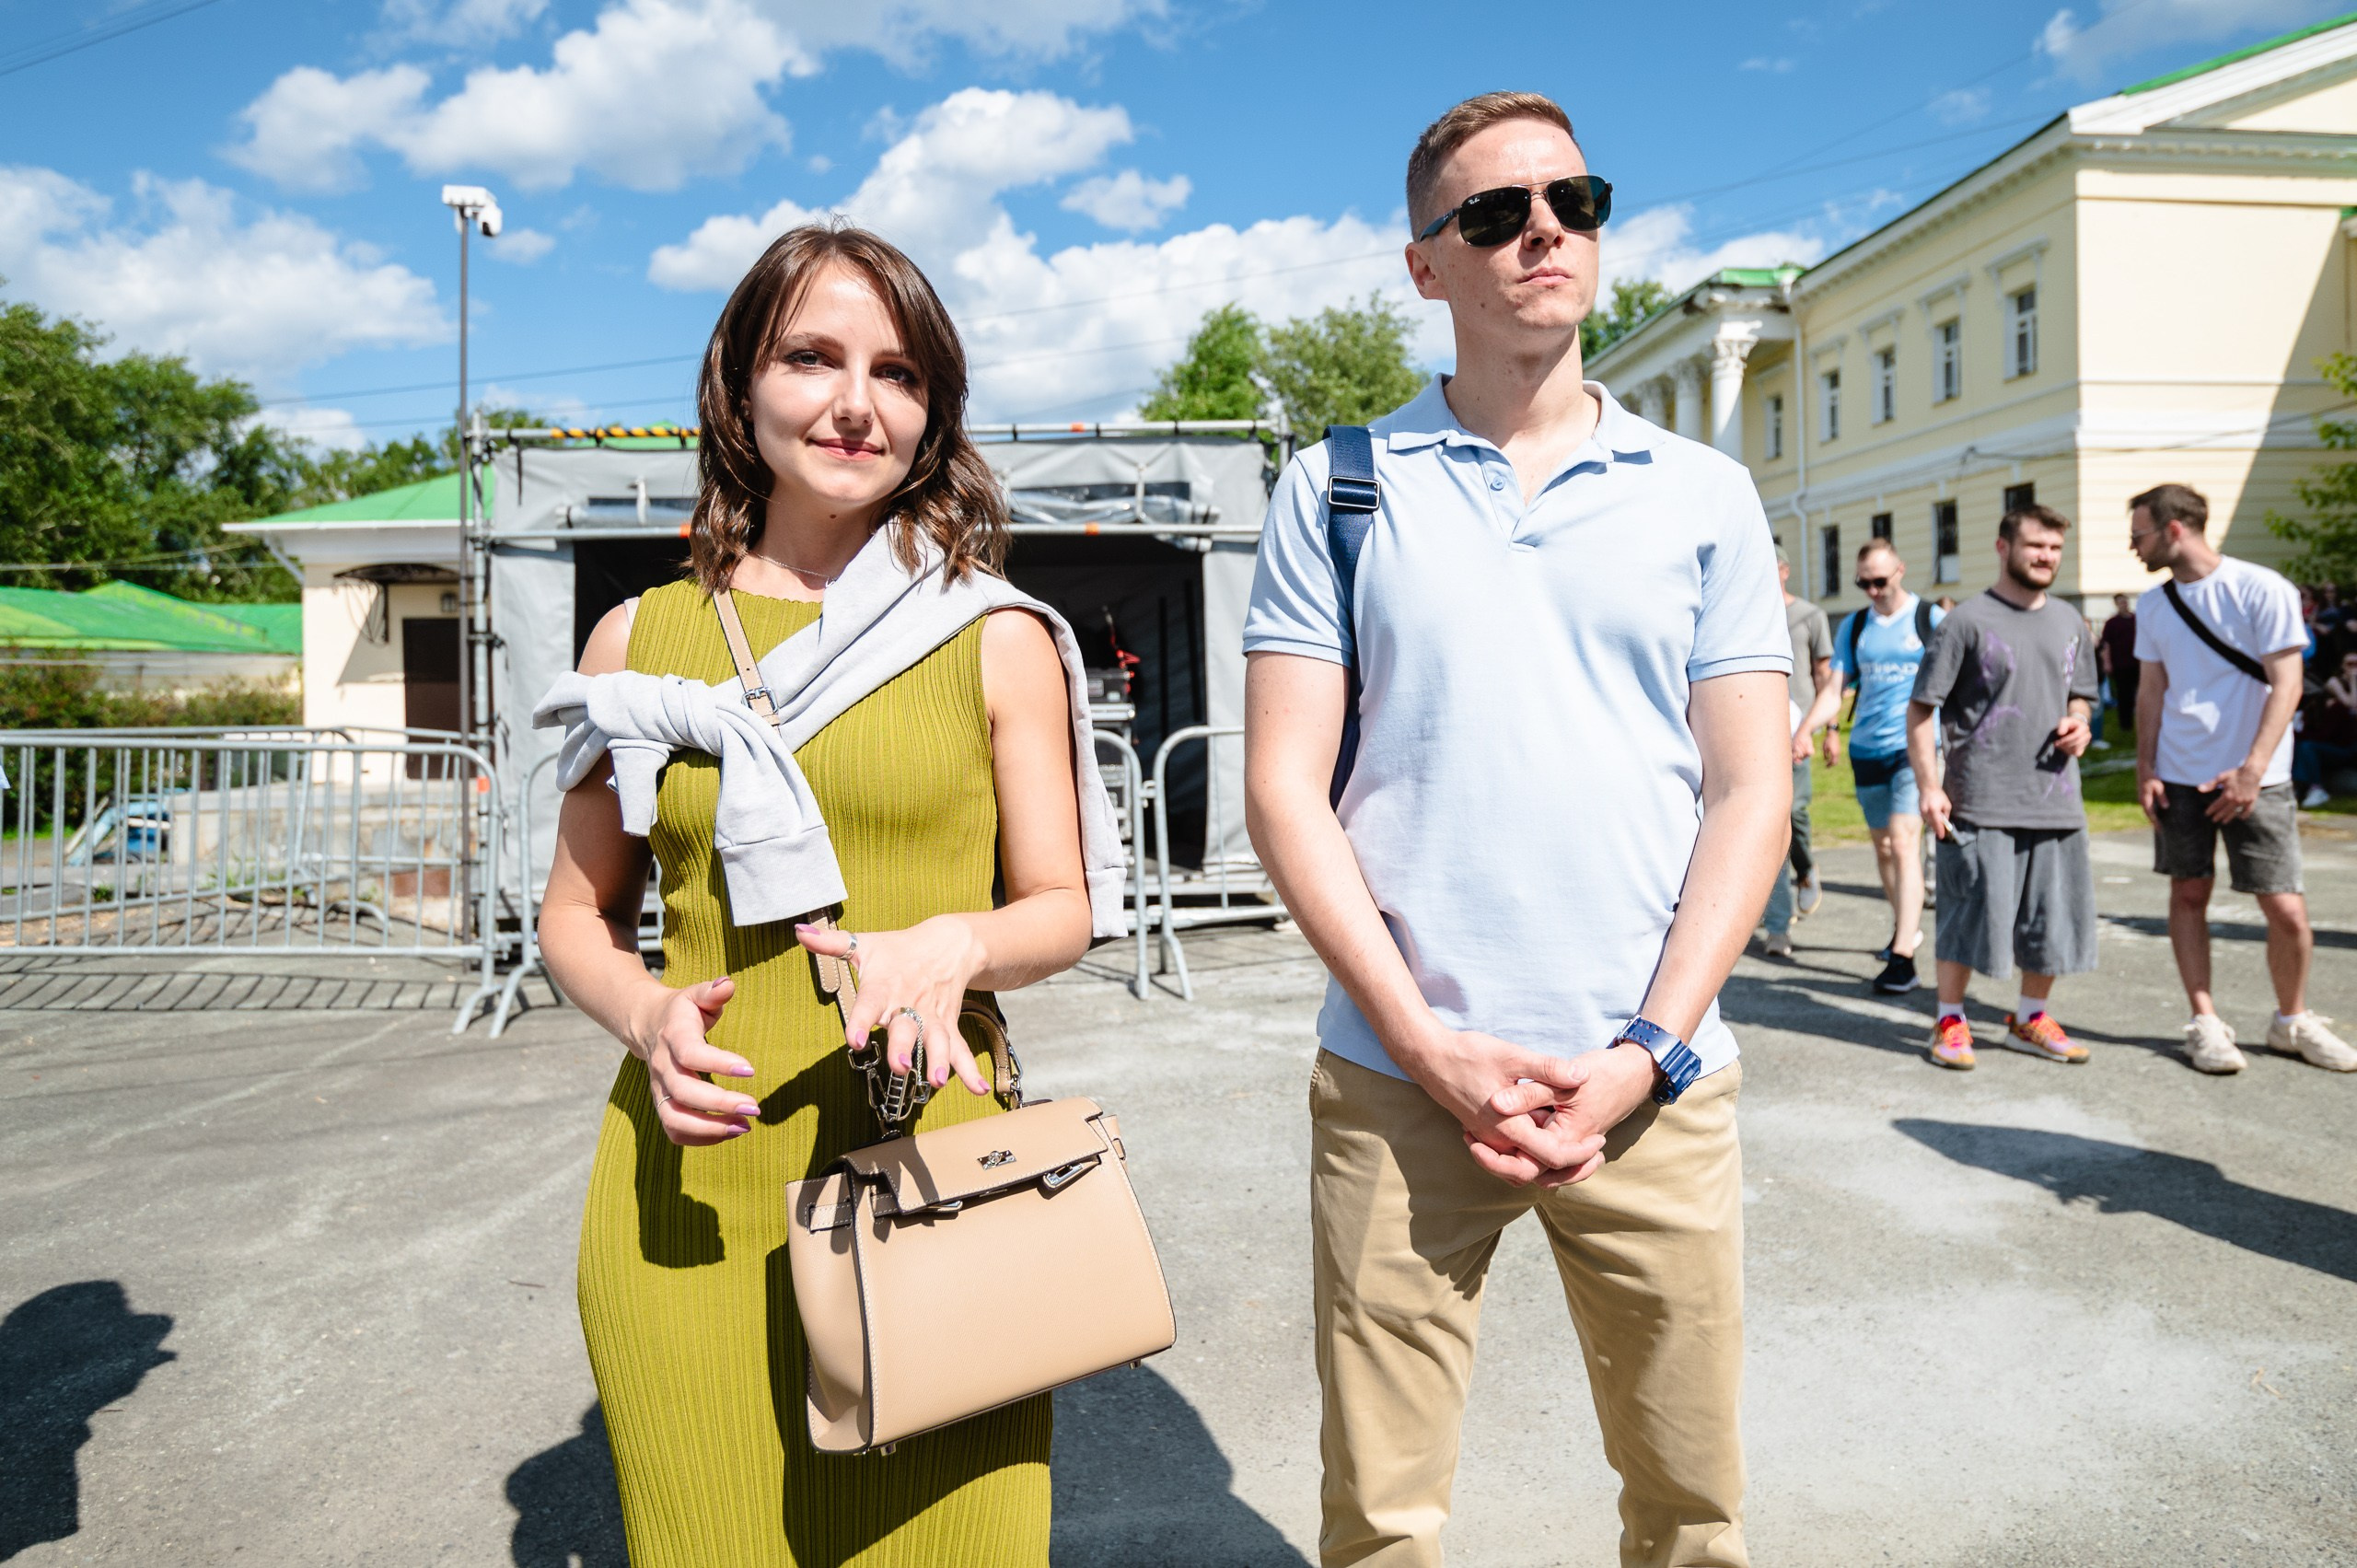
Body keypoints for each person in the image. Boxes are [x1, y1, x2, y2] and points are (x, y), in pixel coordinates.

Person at [1243, 91, 1790, 1568]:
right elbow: (1285, 788)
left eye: (1575, 199)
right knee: (1383, 1517)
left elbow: (1752, 787)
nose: (1545, 231)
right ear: (1428, 265)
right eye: (1494, 212)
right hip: (1400, 1084)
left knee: (1693, 1506)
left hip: (1655, 1086)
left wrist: (1647, 1052)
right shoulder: (1338, 487)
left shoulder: (1705, 494)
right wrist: (1427, 1043)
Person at [534, 225, 1125, 1565]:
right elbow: (575, 913)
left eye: (899, 372)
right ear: (741, 379)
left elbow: (1061, 905)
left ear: (933, 414)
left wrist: (955, 942)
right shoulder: (638, 642)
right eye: (812, 355)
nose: (857, 401)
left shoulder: (998, 632)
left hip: (930, 1168)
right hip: (689, 1182)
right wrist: (644, 1017)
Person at [2128, 482, 2356, 1074]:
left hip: (2261, 779)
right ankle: (2204, 1022)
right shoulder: (2153, 606)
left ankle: (2292, 1020)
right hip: (2179, 773)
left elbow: (2287, 685)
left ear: (2175, 528)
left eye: (2140, 533)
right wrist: (2145, 766)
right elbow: (2151, 692)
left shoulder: (2262, 589)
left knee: (2285, 908)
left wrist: (2253, 770)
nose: (2134, 546)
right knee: (2188, 892)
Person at [1907, 504, 2100, 1070]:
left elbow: (2080, 693)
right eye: (2036, 545)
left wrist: (2080, 722)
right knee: (1968, 915)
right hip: (1979, 797)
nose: (2046, 557)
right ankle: (1949, 1020)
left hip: (2056, 797)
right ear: (2003, 547)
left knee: (2053, 919)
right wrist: (1929, 785)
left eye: (2055, 549)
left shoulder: (2070, 620)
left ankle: (2029, 1018)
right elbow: (1922, 710)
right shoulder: (1965, 621)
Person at [1829, 539, 1945, 994]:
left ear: (1900, 570)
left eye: (1880, 580)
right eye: (1864, 583)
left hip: (1913, 748)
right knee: (1883, 849)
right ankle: (1905, 928)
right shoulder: (1856, 625)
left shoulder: (1930, 618)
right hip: (1867, 748)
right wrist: (1810, 729)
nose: (1873, 590)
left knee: (1903, 843)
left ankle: (1903, 957)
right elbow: (1834, 686)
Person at [1761, 543, 1839, 957]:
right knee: (1769, 823)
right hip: (1757, 735)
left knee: (1796, 814)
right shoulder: (1745, 610)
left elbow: (1825, 677)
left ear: (1784, 571)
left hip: (1798, 734)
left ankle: (1806, 868)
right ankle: (1777, 925)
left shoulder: (1810, 616)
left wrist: (1829, 729)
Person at [2293, 648, 2357, 807]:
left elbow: (2352, 705)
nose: (2354, 667)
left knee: (2306, 746)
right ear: (2342, 666)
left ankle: (2310, 788)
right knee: (2302, 746)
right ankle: (2301, 788)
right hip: (2335, 744)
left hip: (2348, 746)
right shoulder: (2334, 688)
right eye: (2350, 664)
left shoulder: (2337, 707)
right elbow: (2350, 705)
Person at [2098, 591, 2139, 737]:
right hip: (2121, 664)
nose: (2124, 604)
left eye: (2125, 601)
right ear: (2116, 604)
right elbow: (2106, 644)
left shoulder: (2136, 619)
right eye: (2121, 602)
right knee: (2124, 695)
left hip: (2138, 663)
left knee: (2139, 694)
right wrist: (2107, 662)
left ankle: (2140, 721)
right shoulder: (2112, 623)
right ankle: (2125, 725)